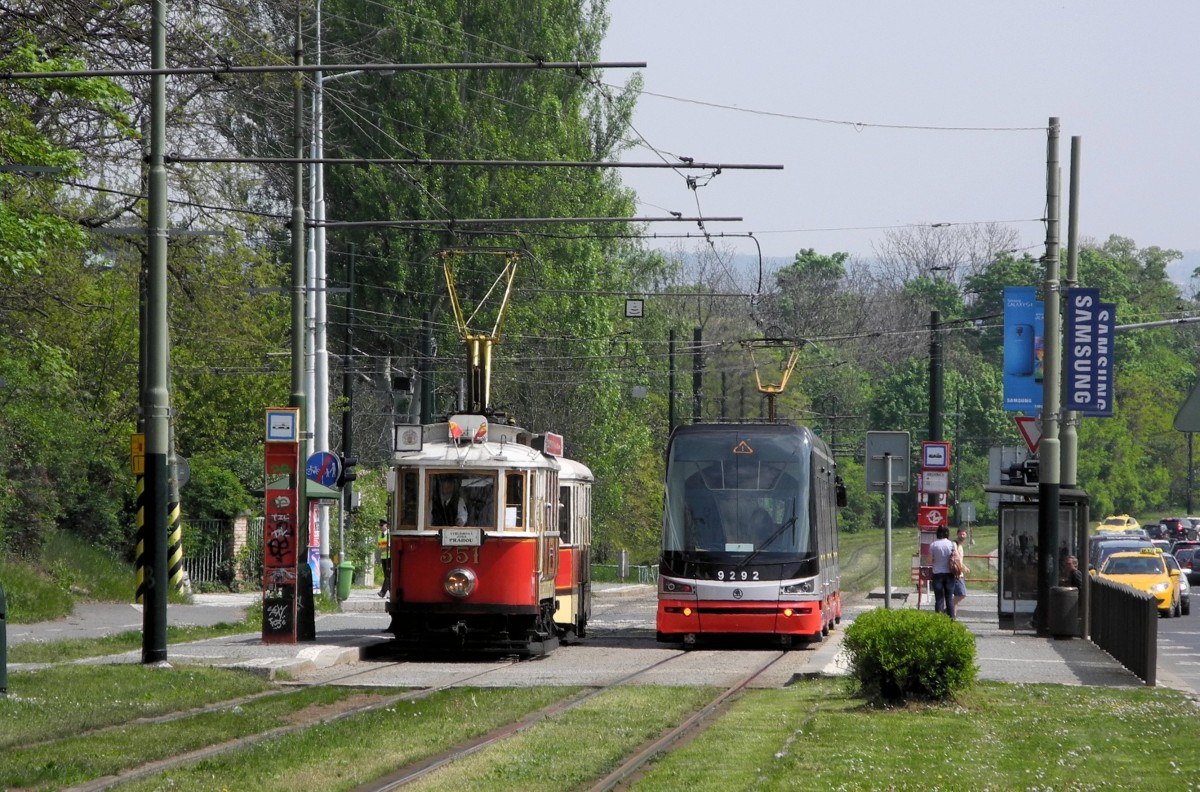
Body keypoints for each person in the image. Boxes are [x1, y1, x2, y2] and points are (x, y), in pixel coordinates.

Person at [930, 525, 957, 618]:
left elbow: (929, 560)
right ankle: (951, 619)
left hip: (937, 573)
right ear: (947, 533)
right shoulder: (952, 544)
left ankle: (939, 619)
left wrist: (935, 560)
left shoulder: (933, 545)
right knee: (949, 598)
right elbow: (955, 558)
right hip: (949, 573)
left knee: (939, 598)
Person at [953, 528, 971, 610]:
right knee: (962, 594)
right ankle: (948, 608)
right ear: (957, 534)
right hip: (956, 573)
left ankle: (952, 616)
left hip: (959, 573)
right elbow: (956, 559)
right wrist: (964, 567)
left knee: (957, 597)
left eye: (964, 534)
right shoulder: (955, 544)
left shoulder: (960, 546)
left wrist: (964, 567)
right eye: (960, 534)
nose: (962, 536)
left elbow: (959, 560)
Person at [376, 519, 391, 599]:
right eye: (380, 525)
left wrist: (384, 548)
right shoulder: (380, 535)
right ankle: (392, 594)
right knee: (387, 575)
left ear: (387, 526)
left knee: (388, 575)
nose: (380, 527)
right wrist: (384, 548)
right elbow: (380, 547)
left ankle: (383, 592)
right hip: (383, 557)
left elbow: (389, 547)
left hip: (389, 557)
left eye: (382, 525)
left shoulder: (389, 534)